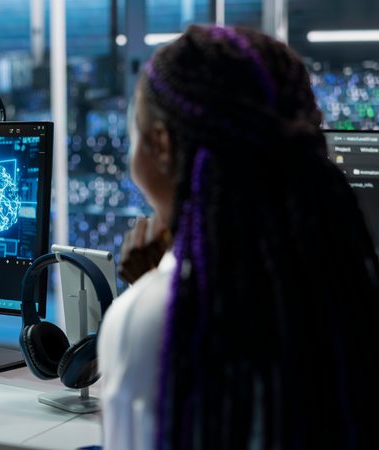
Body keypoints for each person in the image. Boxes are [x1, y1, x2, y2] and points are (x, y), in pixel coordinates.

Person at [99, 25, 379, 450]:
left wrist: (158, 294)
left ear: (161, 144)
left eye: (135, 129)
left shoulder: (149, 319)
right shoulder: (352, 290)